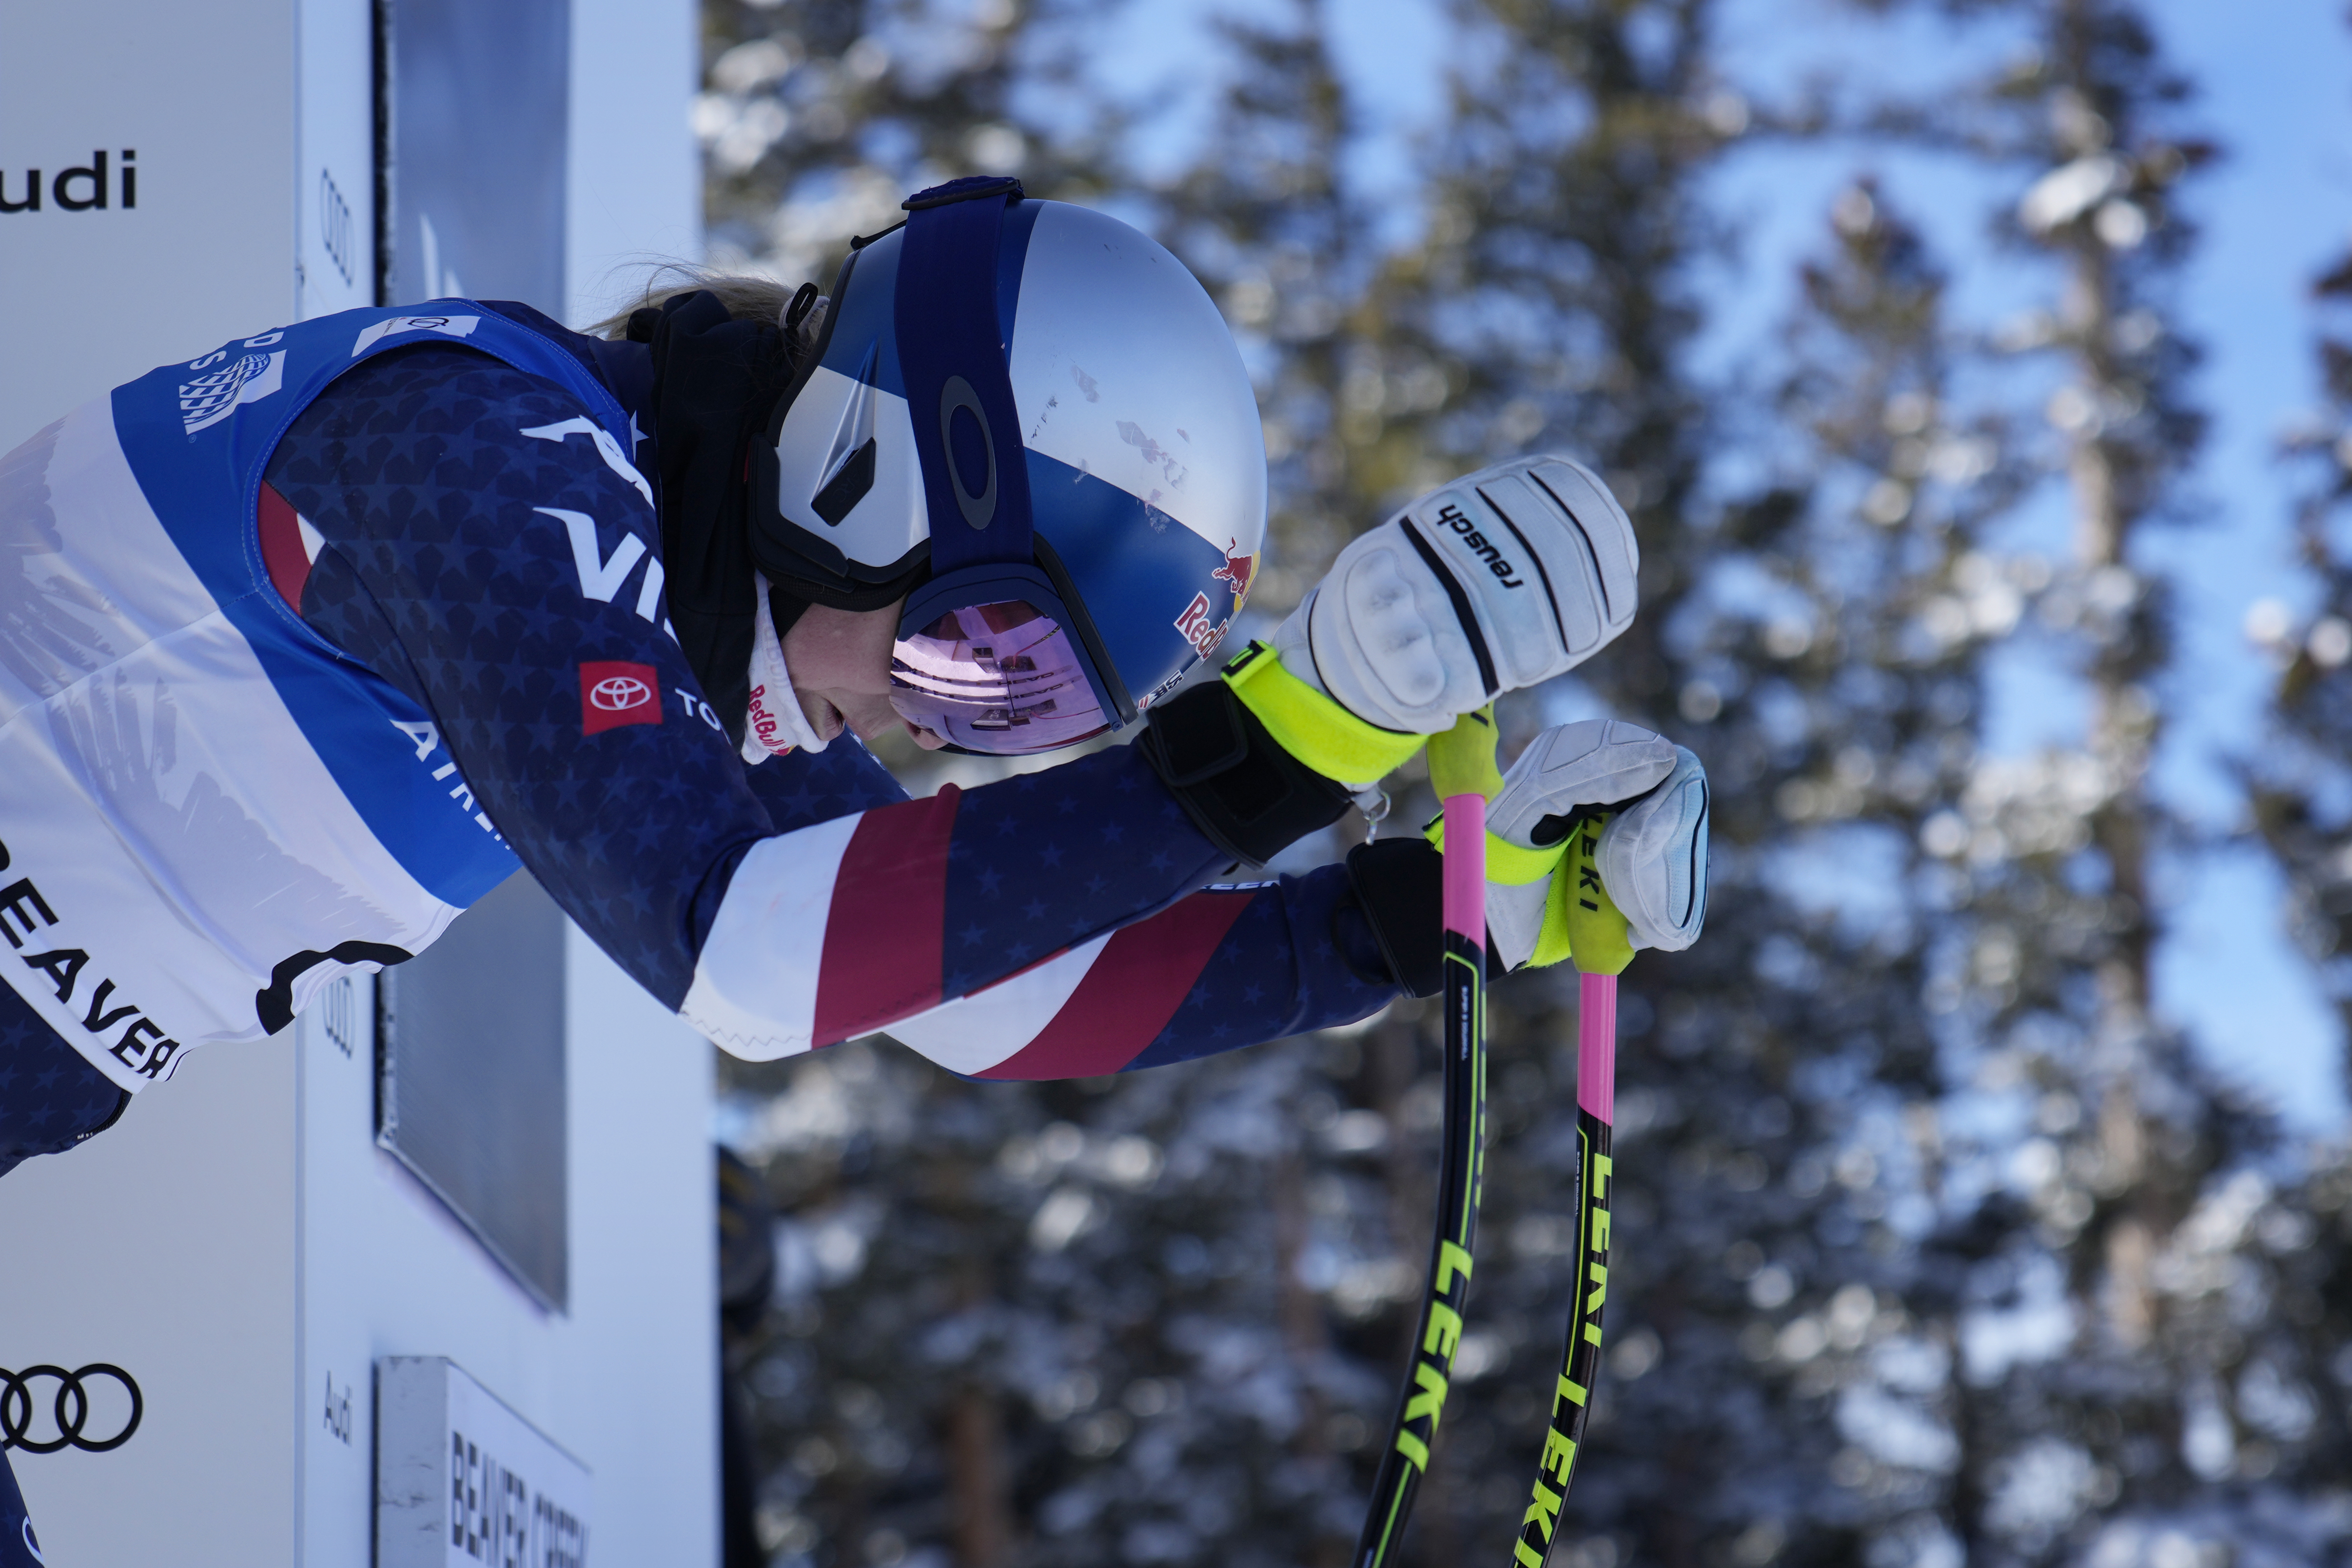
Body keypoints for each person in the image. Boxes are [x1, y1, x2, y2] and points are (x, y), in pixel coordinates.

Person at [0, 176, 1705, 1552]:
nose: (942, 728)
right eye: (985, 660)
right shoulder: (488, 455)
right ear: (864, 467)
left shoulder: (677, 620)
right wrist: (1292, 742)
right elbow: (740, 952)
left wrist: (1417, 915)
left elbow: (988, 999)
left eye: (1027, 718)